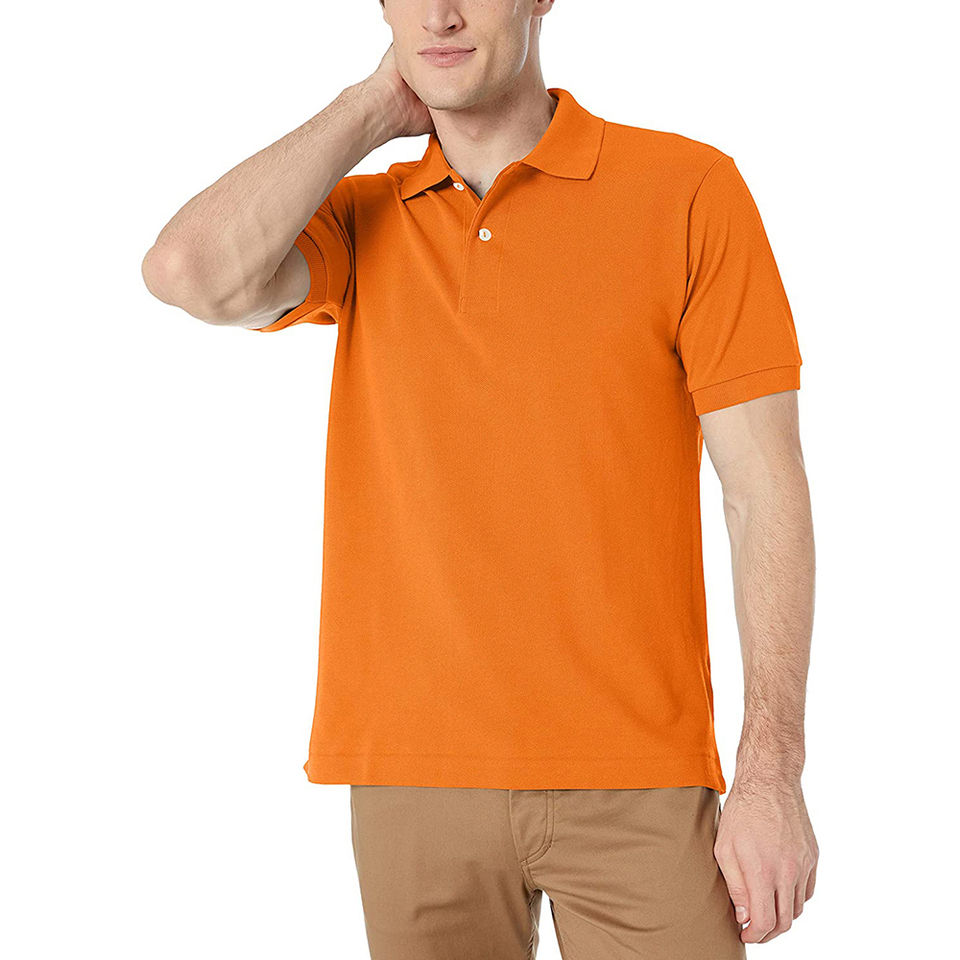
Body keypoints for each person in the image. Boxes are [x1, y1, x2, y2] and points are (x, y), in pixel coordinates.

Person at [142, 1, 818, 956]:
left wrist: (772, 774)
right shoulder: (360, 217)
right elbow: (187, 271)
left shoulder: (687, 190)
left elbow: (763, 493)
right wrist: (371, 107)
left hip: (638, 771)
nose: (442, 14)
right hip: (413, 768)